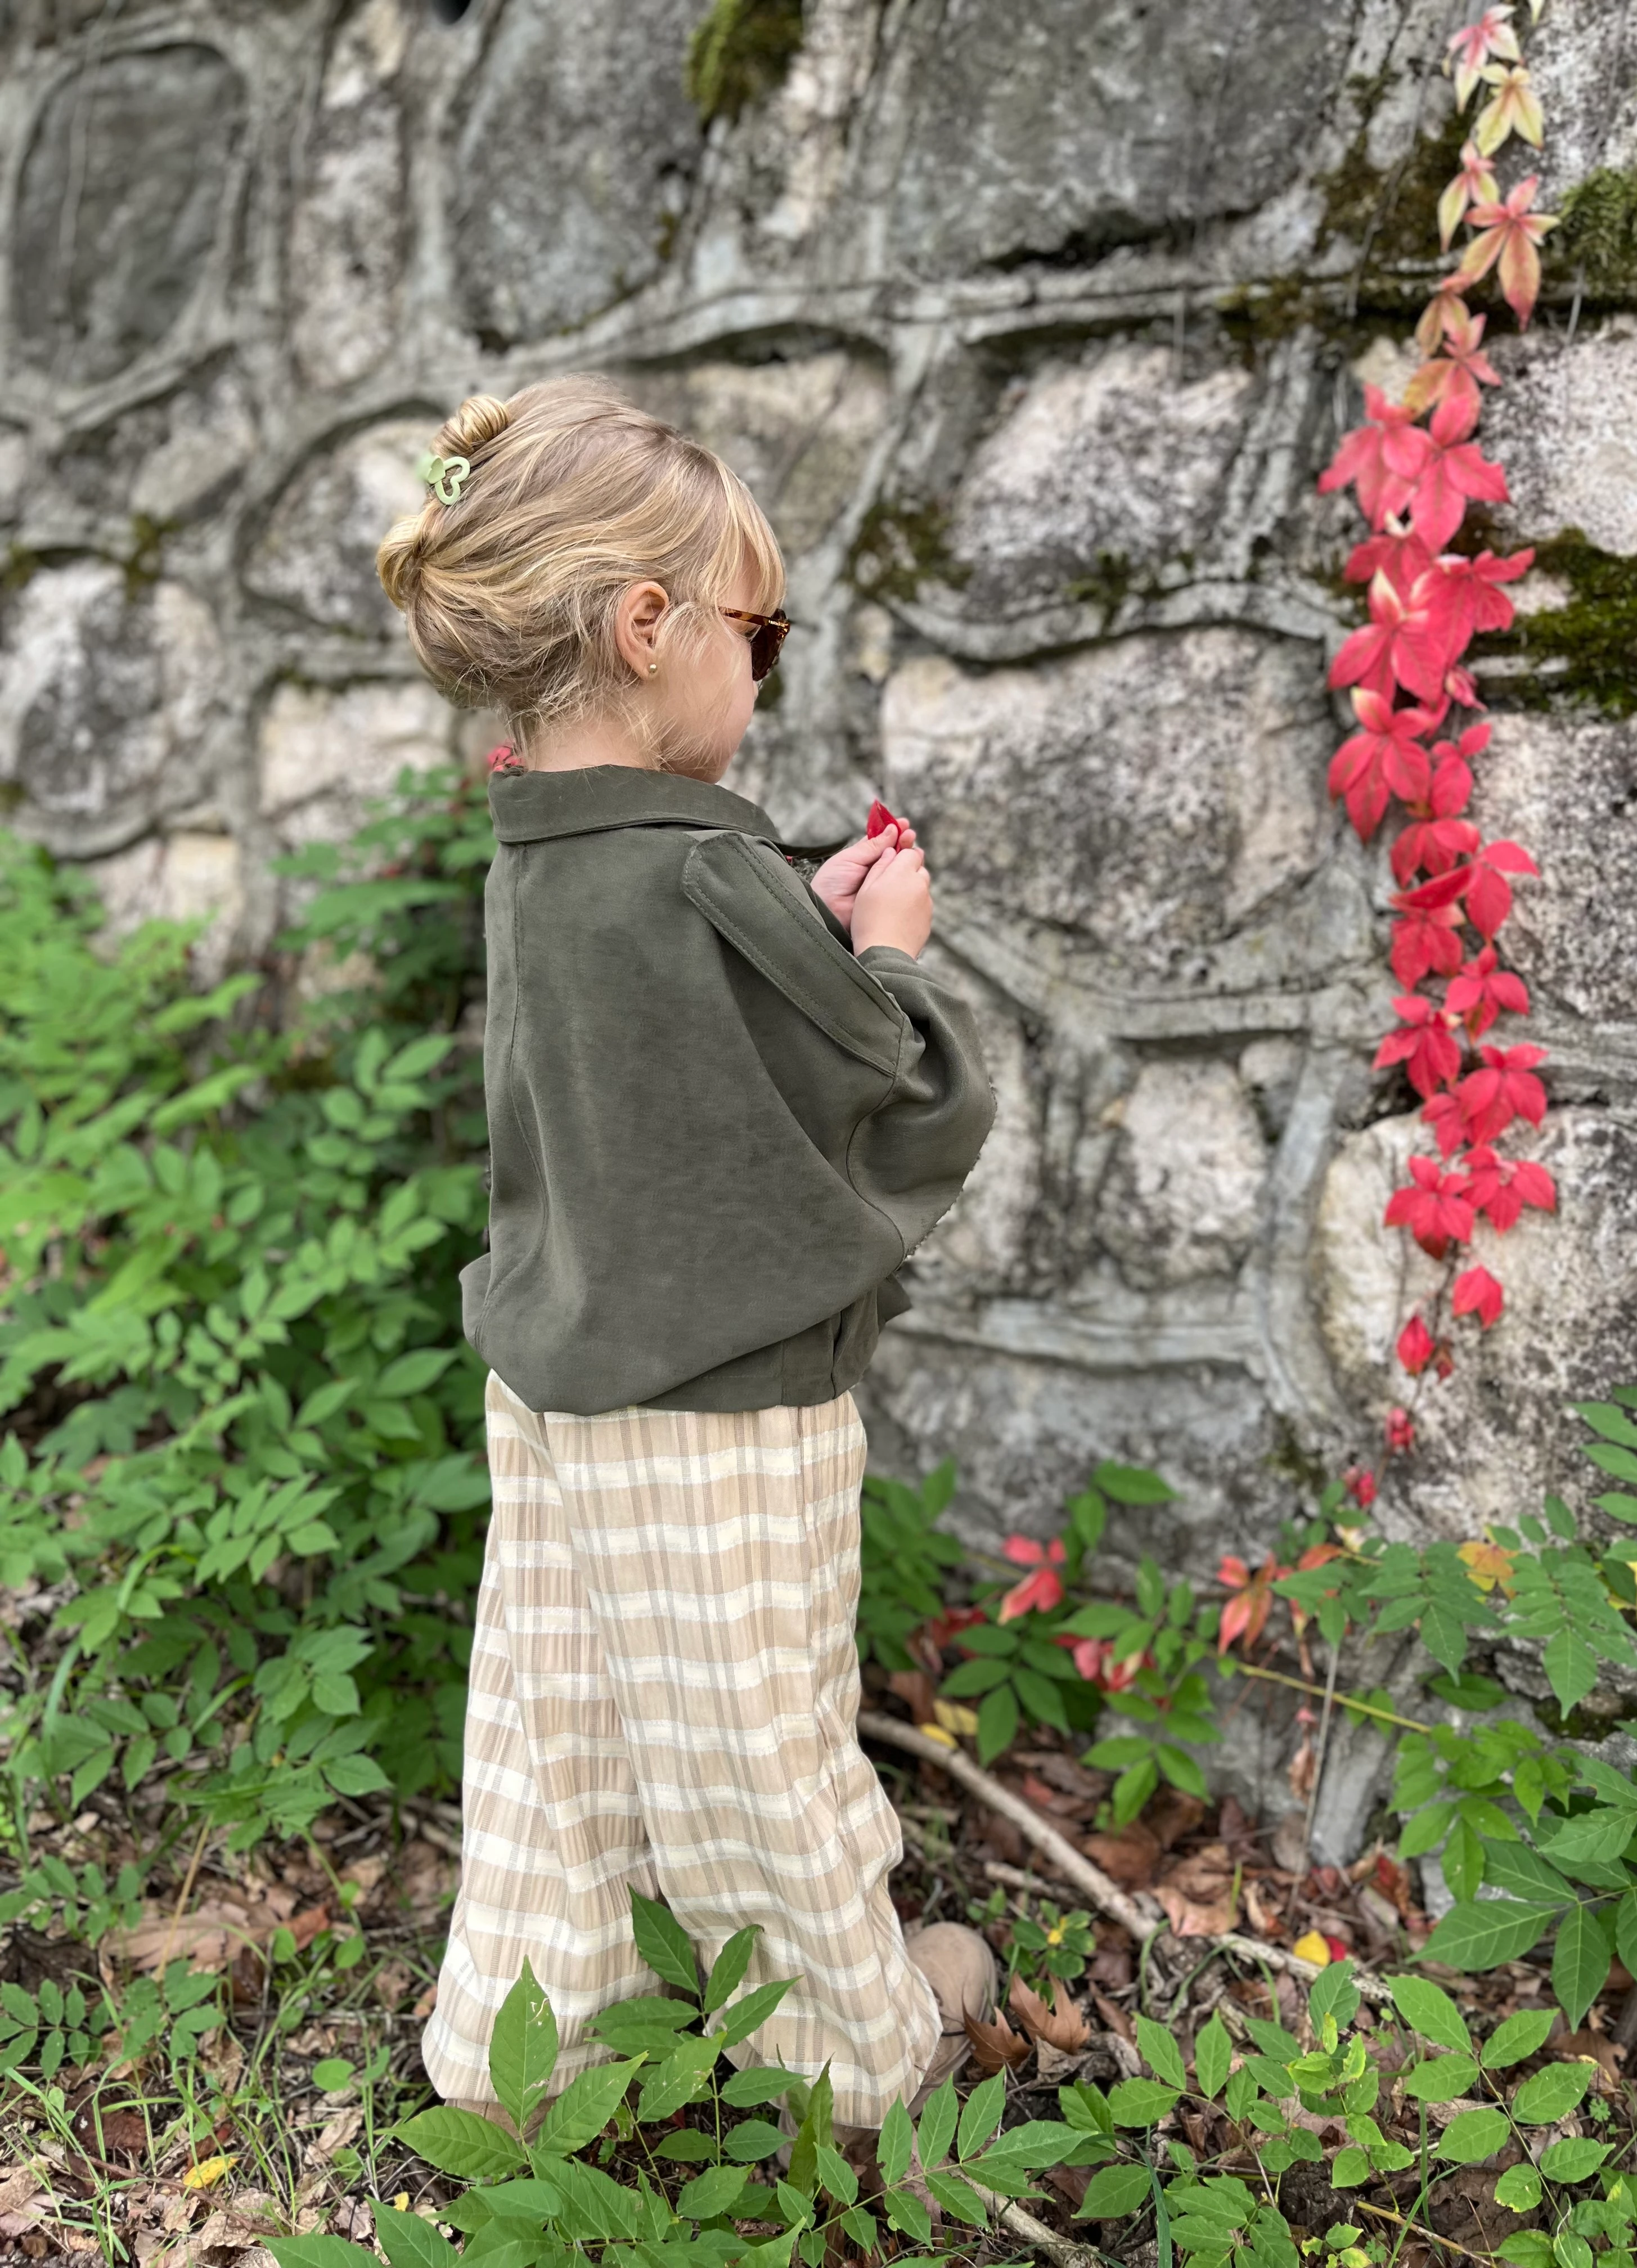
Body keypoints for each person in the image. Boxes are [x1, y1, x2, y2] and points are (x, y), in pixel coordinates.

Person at [375, 377, 1000, 2146]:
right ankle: (858, 2069)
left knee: (554, 1739)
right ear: (651, 628)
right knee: (756, 1752)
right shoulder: (706, 871)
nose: (761, 667)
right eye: (762, 631)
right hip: (724, 1411)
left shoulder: (543, 856)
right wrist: (880, 951)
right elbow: (894, 1088)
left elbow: (652, 1057)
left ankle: (529, 2057)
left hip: (555, 1385)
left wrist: (784, 926)